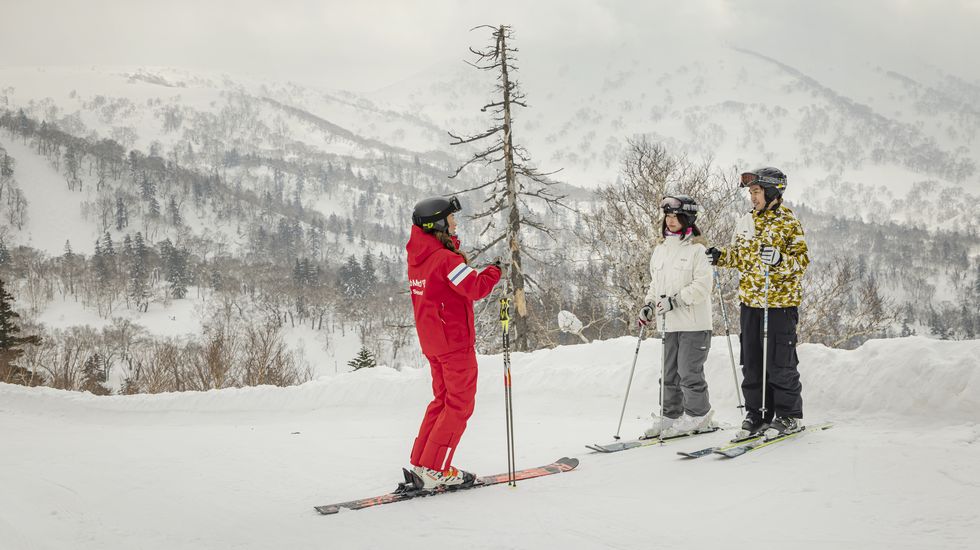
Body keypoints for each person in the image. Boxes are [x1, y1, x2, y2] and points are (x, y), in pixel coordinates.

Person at [705, 167, 809, 439]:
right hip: (750, 303)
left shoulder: (788, 221)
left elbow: (801, 263)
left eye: (757, 191)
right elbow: (740, 256)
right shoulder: (746, 221)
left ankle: (788, 415)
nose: (752, 197)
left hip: (779, 305)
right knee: (751, 362)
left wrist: (778, 260)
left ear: (773, 191)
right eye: (751, 193)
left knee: (780, 363)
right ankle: (757, 413)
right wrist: (721, 256)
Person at [406, 195, 501, 489]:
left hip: (434, 342)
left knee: (442, 401)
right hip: (454, 342)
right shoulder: (445, 260)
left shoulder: (419, 257)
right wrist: (495, 271)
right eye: (451, 220)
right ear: (438, 225)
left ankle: (423, 463)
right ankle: (436, 469)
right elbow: (475, 288)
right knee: (459, 405)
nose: (455, 224)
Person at [638, 194, 715, 438]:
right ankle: (671, 415)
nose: (670, 221)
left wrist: (676, 301)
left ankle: (698, 415)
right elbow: (655, 283)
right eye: (668, 216)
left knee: (689, 372)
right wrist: (649, 304)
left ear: (687, 218)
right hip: (668, 324)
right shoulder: (660, 250)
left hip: (694, 324)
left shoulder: (697, 250)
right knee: (669, 373)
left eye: (675, 216)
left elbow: (703, 287)